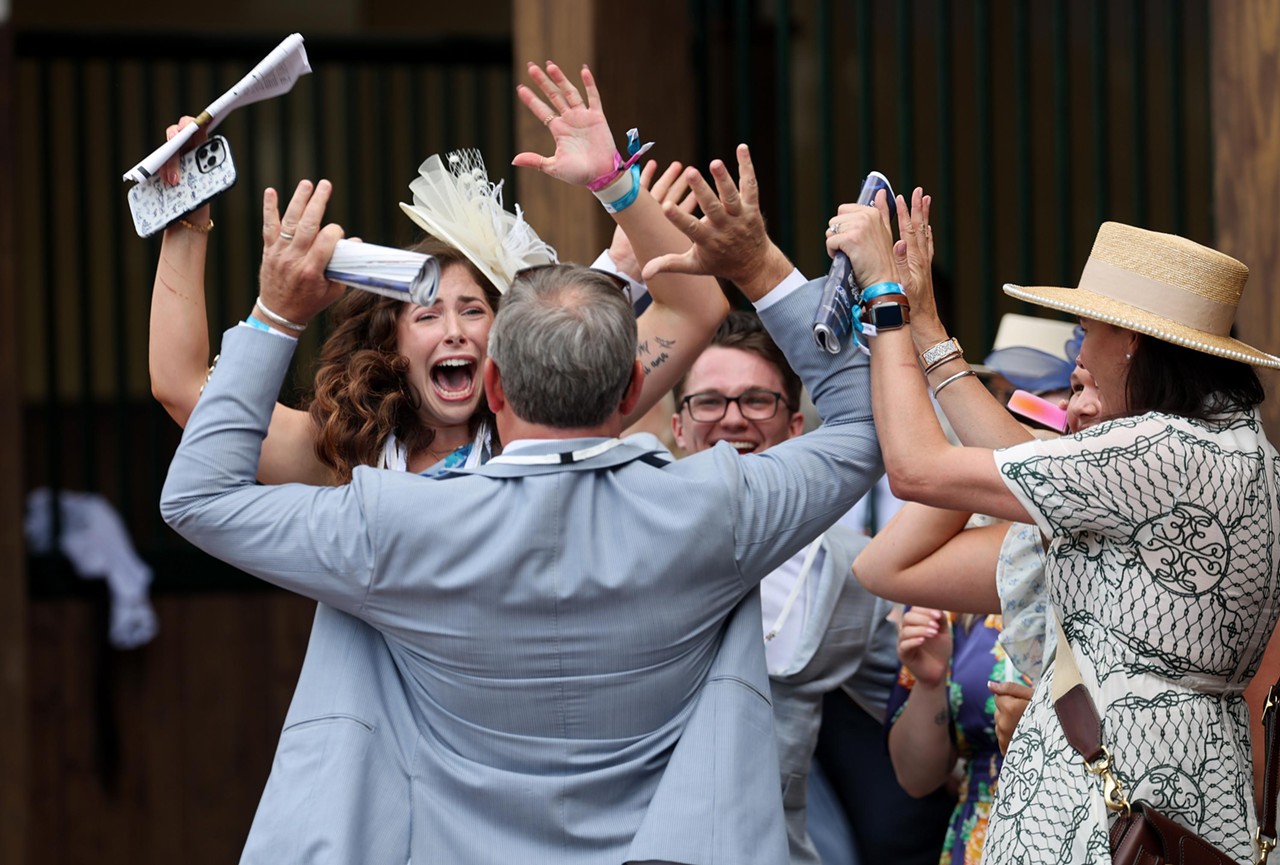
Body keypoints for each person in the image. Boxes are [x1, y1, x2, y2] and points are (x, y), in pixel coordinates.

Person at [160, 138, 885, 862]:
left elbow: (198, 494)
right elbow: (864, 425)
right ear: (633, 391)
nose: (451, 328)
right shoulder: (715, 506)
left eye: (474, 308)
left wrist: (277, 315)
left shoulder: (386, 522)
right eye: (426, 312)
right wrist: (756, 263)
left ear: (497, 380)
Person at [828, 191, 1280, 862]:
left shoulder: (1157, 449)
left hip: (1102, 809)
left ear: (1130, 341)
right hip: (1178, 789)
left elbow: (916, 469)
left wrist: (886, 302)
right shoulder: (1228, 448)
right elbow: (1022, 463)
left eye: (1087, 329)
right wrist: (927, 329)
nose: (1079, 351)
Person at [668, 309, 899, 864]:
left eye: (756, 400)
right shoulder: (624, 540)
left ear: (796, 427)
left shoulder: (854, 569)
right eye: (708, 401)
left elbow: (911, 698)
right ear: (677, 426)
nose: (732, 420)